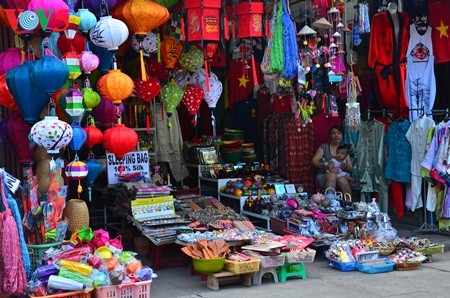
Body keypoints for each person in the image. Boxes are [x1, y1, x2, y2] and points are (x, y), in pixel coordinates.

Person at [311, 125, 353, 196]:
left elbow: (350, 167)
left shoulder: (344, 149)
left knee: (343, 180)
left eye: (339, 133)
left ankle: (349, 203)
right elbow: (314, 161)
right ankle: (330, 202)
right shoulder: (324, 147)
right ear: (330, 136)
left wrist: (344, 167)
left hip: (339, 174)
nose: (336, 135)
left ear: (342, 135)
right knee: (332, 176)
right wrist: (324, 165)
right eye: (333, 133)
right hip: (325, 175)